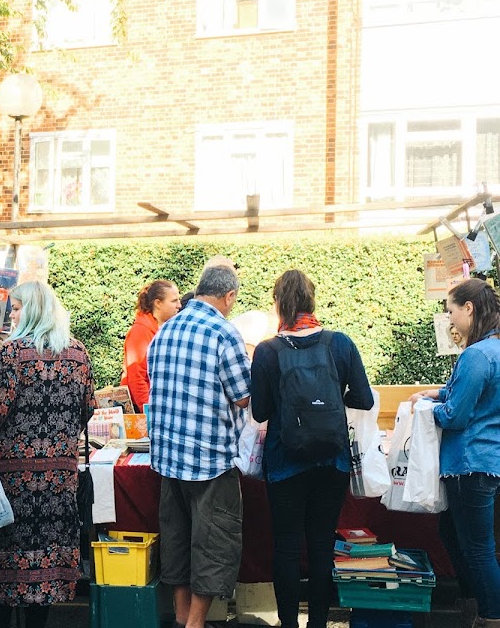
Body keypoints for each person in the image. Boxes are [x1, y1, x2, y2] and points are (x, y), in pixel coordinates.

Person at [249, 270, 373, 628]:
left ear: (278, 305)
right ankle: (318, 623)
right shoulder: (341, 343)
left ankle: (288, 624)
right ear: (312, 301)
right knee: (321, 547)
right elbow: (363, 399)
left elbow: (259, 411)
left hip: (285, 462)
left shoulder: (268, 352)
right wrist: (331, 399)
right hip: (331, 461)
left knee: (286, 547)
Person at [0, 281, 96, 628]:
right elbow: (88, 408)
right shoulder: (78, 353)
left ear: (32, 310)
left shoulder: (12, 355)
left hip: (11, 482)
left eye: (16, 308)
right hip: (58, 480)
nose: (11, 314)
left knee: (4, 568)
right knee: (44, 571)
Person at [146, 265, 251, 628]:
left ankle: (180, 618)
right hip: (210, 459)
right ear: (229, 296)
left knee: (176, 540)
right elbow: (243, 397)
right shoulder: (224, 332)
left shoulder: (163, 331)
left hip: (168, 457)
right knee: (212, 543)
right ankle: (195, 624)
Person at [411, 279, 500, 628]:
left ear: (469, 309)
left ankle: (491, 615)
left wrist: (425, 408)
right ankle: (474, 606)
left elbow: (456, 415)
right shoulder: (493, 350)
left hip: (469, 463)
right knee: (453, 535)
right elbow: (459, 393)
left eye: (451, 309)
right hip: (487, 460)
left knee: (478, 547)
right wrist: (437, 394)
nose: (449, 318)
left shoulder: (476, 355)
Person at [121, 279, 181, 411]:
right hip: (145, 413)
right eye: (174, 301)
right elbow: (137, 379)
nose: (179, 305)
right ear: (158, 303)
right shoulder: (140, 332)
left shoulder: (165, 328)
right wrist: (150, 412)